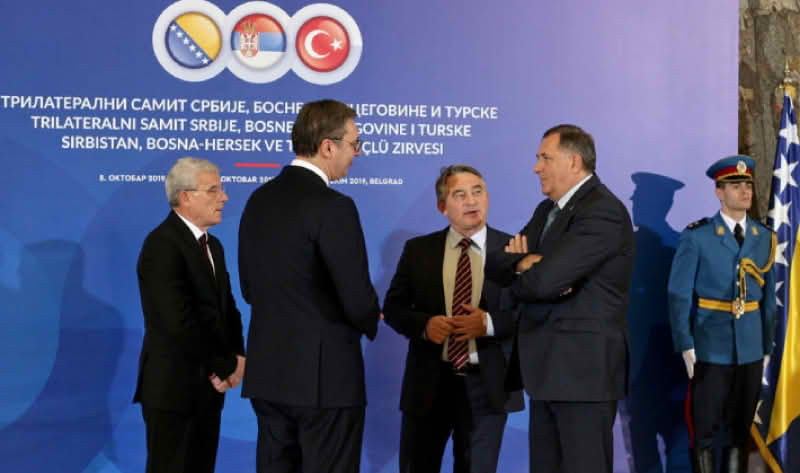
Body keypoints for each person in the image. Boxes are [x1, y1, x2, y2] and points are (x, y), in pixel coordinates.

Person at [238, 99, 381, 473]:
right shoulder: (334, 206)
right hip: (325, 381)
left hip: (269, 376)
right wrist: (370, 317)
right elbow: (356, 297)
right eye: (354, 143)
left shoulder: (258, 200)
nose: (357, 153)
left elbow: (249, 288)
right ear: (328, 146)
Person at [485, 124, 634, 473]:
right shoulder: (546, 210)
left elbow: (544, 283)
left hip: (582, 374)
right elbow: (495, 264)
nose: (536, 167)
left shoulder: (602, 211)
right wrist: (526, 263)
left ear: (574, 161)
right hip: (547, 370)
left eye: (545, 158)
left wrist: (534, 271)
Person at [383, 165, 524, 473]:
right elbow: (393, 307)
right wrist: (424, 326)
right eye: (459, 195)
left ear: (488, 198)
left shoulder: (514, 250)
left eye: (478, 192)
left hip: (487, 386)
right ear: (442, 207)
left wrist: (488, 324)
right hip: (428, 384)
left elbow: (529, 314)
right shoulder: (419, 250)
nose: (471, 201)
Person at [134, 157, 245, 473]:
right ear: (185, 196)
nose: (224, 198)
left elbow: (227, 309)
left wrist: (238, 356)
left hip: (208, 390)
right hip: (174, 391)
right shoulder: (162, 245)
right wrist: (224, 366)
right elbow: (178, 323)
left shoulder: (214, 246)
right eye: (213, 190)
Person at [667, 155, 776, 473]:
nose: (745, 191)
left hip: (751, 347)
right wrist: (685, 343)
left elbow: (769, 298)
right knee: (704, 429)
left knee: (739, 432)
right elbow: (678, 293)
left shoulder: (763, 237)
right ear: (719, 192)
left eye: (748, 185)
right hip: (710, 344)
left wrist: (766, 345)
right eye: (736, 185)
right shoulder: (697, 236)